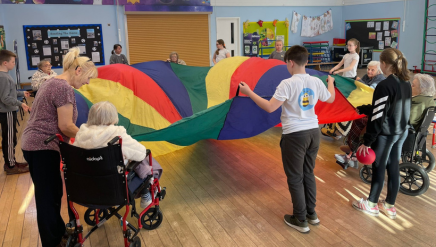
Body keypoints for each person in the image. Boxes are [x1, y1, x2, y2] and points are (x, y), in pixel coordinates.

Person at [239, 45, 335, 233]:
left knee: (295, 177)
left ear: (290, 63)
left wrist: (249, 92)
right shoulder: (316, 81)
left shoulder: (287, 84)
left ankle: (300, 219)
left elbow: (269, 107)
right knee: (308, 173)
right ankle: (311, 214)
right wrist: (330, 81)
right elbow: (330, 98)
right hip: (313, 133)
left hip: (295, 136)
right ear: (306, 62)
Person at [21, 47, 98, 247]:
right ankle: (53, 241)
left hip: (36, 145)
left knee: (53, 193)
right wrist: (92, 137)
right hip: (42, 147)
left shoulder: (52, 83)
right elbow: (66, 126)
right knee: (48, 198)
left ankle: (58, 232)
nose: (88, 83)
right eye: (88, 78)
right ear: (78, 71)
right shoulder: (63, 87)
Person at [352, 48, 411, 220]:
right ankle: (389, 206)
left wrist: (367, 141)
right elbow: (389, 108)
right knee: (393, 167)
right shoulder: (405, 82)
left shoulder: (385, 85)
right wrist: (364, 109)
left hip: (386, 134)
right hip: (401, 132)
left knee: (379, 166)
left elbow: (378, 117)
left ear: (384, 64)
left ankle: (371, 204)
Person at [73, 101, 163, 208]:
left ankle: (146, 193)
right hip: (114, 189)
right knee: (143, 160)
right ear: (112, 117)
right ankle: (146, 192)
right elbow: (141, 153)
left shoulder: (81, 134)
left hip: (87, 189)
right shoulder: (116, 134)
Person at [321, 61, 385, 140]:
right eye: (368, 69)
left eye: (372, 70)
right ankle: (333, 128)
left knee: (349, 108)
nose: (369, 71)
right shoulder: (367, 76)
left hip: (369, 103)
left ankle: (338, 133)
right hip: (360, 98)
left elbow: (369, 90)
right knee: (341, 103)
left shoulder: (380, 79)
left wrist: (359, 81)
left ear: (379, 72)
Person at [0, 49, 31, 175]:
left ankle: (11, 162)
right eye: (13, 61)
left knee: (11, 138)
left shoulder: (5, 76)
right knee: (9, 139)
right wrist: (20, 103)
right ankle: (11, 166)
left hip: (9, 111)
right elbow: (5, 98)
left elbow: (9, 93)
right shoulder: (3, 77)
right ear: (5, 63)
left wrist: (21, 93)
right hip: (7, 112)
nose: (14, 63)